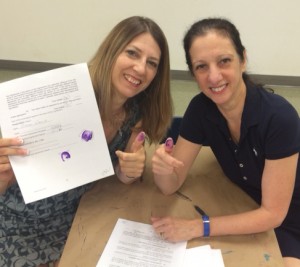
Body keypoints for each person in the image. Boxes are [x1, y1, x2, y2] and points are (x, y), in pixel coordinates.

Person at [0, 16, 172, 267]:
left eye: (152, 63)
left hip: (76, 218)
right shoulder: (64, 96)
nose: (140, 68)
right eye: (132, 53)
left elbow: (120, 174)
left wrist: (129, 172)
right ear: (112, 52)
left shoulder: (135, 114)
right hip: (18, 222)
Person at [151, 18, 300, 267]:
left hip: (288, 220)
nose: (214, 76)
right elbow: (170, 185)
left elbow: (273, 214)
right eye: (201, 67)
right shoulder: (200, 109)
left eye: (224, 61)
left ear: (243, 59)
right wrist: (163, 169)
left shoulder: (279, 117)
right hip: (244, 207)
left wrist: (197, 227)